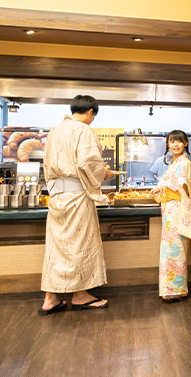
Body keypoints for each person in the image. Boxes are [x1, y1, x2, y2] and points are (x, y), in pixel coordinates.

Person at [39, 94, 114, 315]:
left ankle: (50, 297)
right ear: (91, 112)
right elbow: (87, 162)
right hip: (77, 196)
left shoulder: (54, 130)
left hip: (56, 197)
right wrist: (105, 173)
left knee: (56, 247)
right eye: (94, 115)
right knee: (79, 244)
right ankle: (80, 295)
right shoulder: (83, 130)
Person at [150, 130, 191, 301]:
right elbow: (170, 184)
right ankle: (171, 289)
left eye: (179, 141)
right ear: (168, 144)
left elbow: (183, 186)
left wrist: (162, 188)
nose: (176, 145)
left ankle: (176, 290)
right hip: (170, 211)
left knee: (175, 250)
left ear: (186, 143)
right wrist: (159, 188)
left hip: (178, 210)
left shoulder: (185, 163)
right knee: (169, 250)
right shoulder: (174, 163)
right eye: (172, 141)